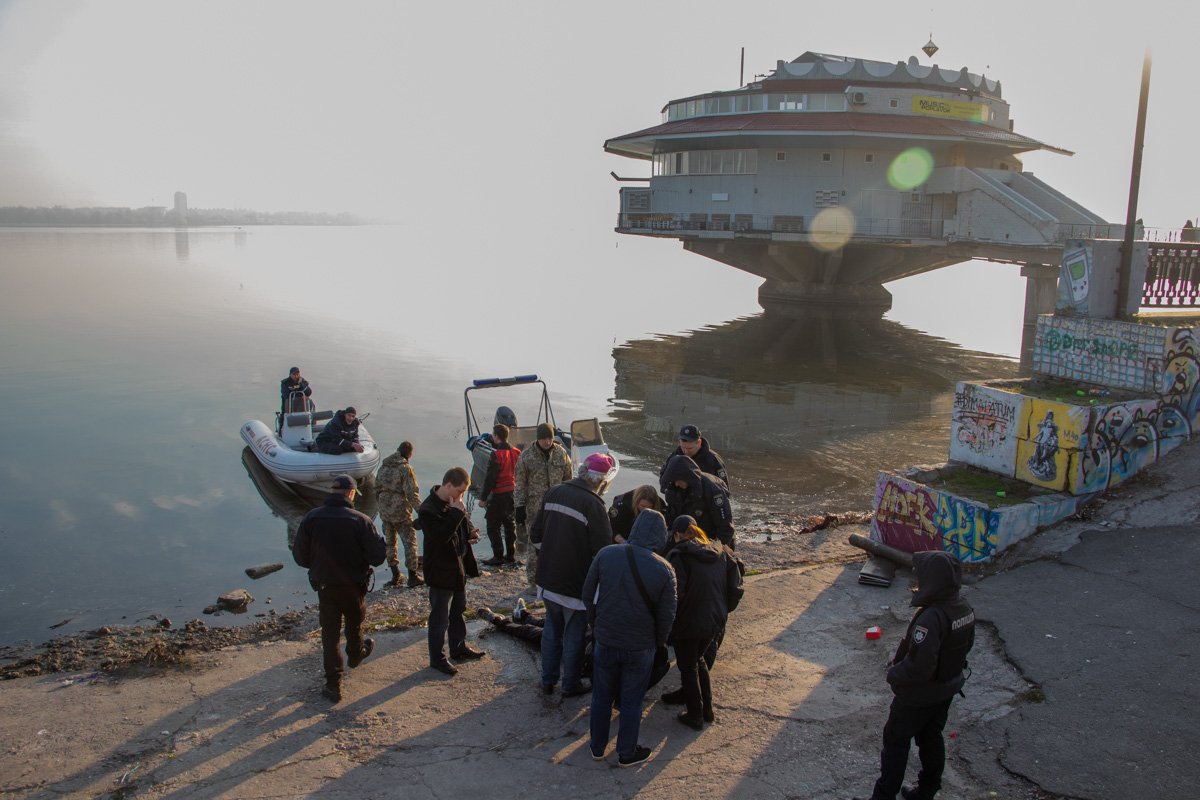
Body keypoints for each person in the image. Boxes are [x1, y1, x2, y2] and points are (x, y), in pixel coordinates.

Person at [855, 551, 976, 800]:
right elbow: (967, 646)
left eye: (921, 575)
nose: (917, 580)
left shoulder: (932, 618)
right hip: (947, 688)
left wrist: (894, 674)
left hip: (919, 696)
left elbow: (919, 667)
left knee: (895, 743)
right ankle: (928, 790)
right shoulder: (962, 607)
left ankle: (883, 797)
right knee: (931, 737)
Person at [583, 509, 677, 767]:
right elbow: (667, 615)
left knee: (601, 695)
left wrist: (595, 624)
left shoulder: (606, 554)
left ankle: (597, 746)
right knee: (632, 700)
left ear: (635, 528)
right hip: (640, 646)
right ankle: (626, 752)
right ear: (661, 535)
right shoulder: (665, 570)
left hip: (606, 639)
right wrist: (659, 643)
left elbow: (588, 594)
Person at [291, 474, 386, 703]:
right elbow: (377, 557)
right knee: (354, 624)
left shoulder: (311, 518)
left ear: (331, 492)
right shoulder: (361, 520)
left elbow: (300, 557)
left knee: (330, 634)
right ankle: (355, 655)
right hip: (354, 586)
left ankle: (333, 685)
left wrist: (318, 564)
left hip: (325, 586)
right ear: (351, 493)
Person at [530, 453, 614, 698]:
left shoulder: (554, 492)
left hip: (547, 577)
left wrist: (548, 556)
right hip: (576, 584)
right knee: (575, 633)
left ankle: (547, 680)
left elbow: (536, 535)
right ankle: (570, 684)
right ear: (601, 480)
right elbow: (602, 551)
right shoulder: (595, 505)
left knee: (551, 630)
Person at [662, 515, 744, 730]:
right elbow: (735, 587)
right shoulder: (721, 552)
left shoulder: (679, 555)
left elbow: (675, 593)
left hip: (689, 620)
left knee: (688, 666)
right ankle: (706, 709)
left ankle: (695, 714)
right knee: (698, 661)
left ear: (678, 534)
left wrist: (668, 622)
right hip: (714, 619)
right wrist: (724, 610)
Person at [418, 466, 486, 676]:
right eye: (460, 491)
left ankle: (458, 647)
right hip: (440, 570)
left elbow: (460, 528)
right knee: (440, 617)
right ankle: (437, 658)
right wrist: (457, 513)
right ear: (448, 486)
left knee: (458, 610)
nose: (461, 496)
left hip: (457, 567)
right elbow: (440, 537)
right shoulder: (428, 509)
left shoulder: (454, 504)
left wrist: (470, 535)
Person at [513, 422, 573, 588]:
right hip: (534, 509)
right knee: (534, 546)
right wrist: (519, 507)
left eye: (550, 438)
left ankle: (553, 578)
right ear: (538, 438)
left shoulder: (561, 454)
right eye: (544, 438)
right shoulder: (526, 456)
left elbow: (568, 479)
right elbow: (520, 484)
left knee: (556, 543)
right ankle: (533, 583)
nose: (547, 442)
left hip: (557, 508)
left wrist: (570, 502)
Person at [660, 454, 735, 549]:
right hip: (687, 538)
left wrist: (716, 549)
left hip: (711, 539)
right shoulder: (674, 489)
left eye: (678, 480)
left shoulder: (712, 489)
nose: (676, 484)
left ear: (687, 476)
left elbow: (725, 526)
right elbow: (671, 519)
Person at [376, 440, 423, 588]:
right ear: (409, 454)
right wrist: (422, 512)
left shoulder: (384, 466)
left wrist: (381, 505)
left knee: (390, 542)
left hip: (385, 509)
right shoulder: (405, 469)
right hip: (401, 510)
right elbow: (411, 493)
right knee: (409, 542)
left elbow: (376, 488)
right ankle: (413, 576)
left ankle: (395, 575)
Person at [478, 424, 521, 567]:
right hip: (512, 493)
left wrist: (483, 498)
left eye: (493, 435)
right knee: (510, 524)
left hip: (499, 494)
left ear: (496, 436)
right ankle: (510, 555)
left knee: (492, 525)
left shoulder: (496, 455)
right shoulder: (516, 452)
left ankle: (497, 556)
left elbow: (490, 478)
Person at [659, 425, 729, 490]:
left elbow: (724, 488)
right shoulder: (676, 455)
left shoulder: (713, 460)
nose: (685, 452)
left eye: (690, 448)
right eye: (683, 447)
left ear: (699, 442)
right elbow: (663, 478)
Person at [279, 366, 314, 432]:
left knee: (310, 403)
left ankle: (308, 429)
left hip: (301, 404)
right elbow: (286, 395)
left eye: (297, 374)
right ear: (290, 375)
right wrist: (299, 394)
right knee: (283, 415)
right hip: (288, 404)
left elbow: (309, 392)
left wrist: (301, 384)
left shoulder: (303, 381)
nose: (296, 376)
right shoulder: (285, 383)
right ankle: (281, 431)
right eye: (294, 374)